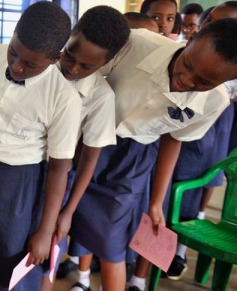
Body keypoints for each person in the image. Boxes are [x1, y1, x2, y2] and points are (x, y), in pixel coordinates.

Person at [69, 19, 237, 291]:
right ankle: (82, 278)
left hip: (131, 160)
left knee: (110, 237)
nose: (185, 80)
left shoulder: (214, 102)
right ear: (189, 39)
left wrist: (157, 201)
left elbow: (174, 139)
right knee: (59, 221)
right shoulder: (134, 44)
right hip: (79, 140)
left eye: (203, 82)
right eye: (188, 65)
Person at [0, 2, 81, 290]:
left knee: (6, 255)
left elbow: (59, 170)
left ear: (55, 58)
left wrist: (46, 230)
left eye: (30, 64)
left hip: (18, 184)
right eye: (14, 52)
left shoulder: (64, 99)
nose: (16, 66)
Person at [140, 1, 237, 282]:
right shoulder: (179, 56)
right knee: (155, 196)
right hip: (162, 138)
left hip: (207, 135)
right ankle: (137, 261)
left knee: (189, 198)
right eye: (213, 22)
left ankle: (175, 253)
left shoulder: (215, 97)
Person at [38, 6, 131, 291]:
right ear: (68, 39)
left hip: (56, 177)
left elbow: (89, 160)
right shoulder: (43, 67)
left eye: (87, 66)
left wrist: (67, 212)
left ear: (106, 63)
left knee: (47, 250)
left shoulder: (102, 98)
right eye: (70, 55)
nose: (73, 69)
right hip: (19, 168)